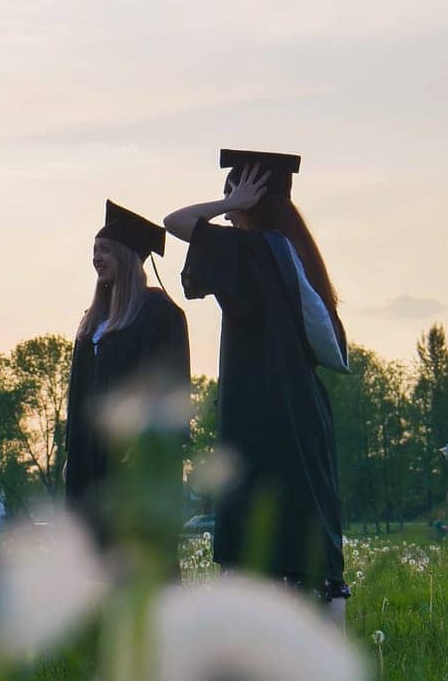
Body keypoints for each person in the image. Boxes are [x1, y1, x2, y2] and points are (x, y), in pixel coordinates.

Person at [164, 150, 349, 620]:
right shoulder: (296, 254)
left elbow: (176, 221)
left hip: (259, 411)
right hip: (303, 413)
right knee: (304, 518)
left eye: (235, 191)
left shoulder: (253, 249)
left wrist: (228, 205)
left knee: (258, 518)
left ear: (251, 197)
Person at [62, 201, 190, 567]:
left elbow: (171, 385)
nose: (96, 258)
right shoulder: (93, 322)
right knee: (92, 555)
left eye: (104, 250)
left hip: (137, 454)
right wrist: (73, 451)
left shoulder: (160, 314)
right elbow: (79, 396)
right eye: (93, 251)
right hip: (91, 455)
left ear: (126, 255)